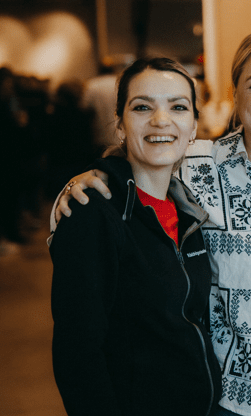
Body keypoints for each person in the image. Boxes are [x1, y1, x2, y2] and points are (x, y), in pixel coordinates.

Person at [53, 29, 251, 416]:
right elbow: (141, 157)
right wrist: (81, 185)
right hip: (232, 399)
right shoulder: (199, 165)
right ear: (235, 94)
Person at [50, 57, 222, 416]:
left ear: (193, 127)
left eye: (178, 107)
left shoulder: (187, 210)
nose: (161, 120)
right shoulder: (94, 212)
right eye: (142, 107)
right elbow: (77, 354)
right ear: (120, 125)